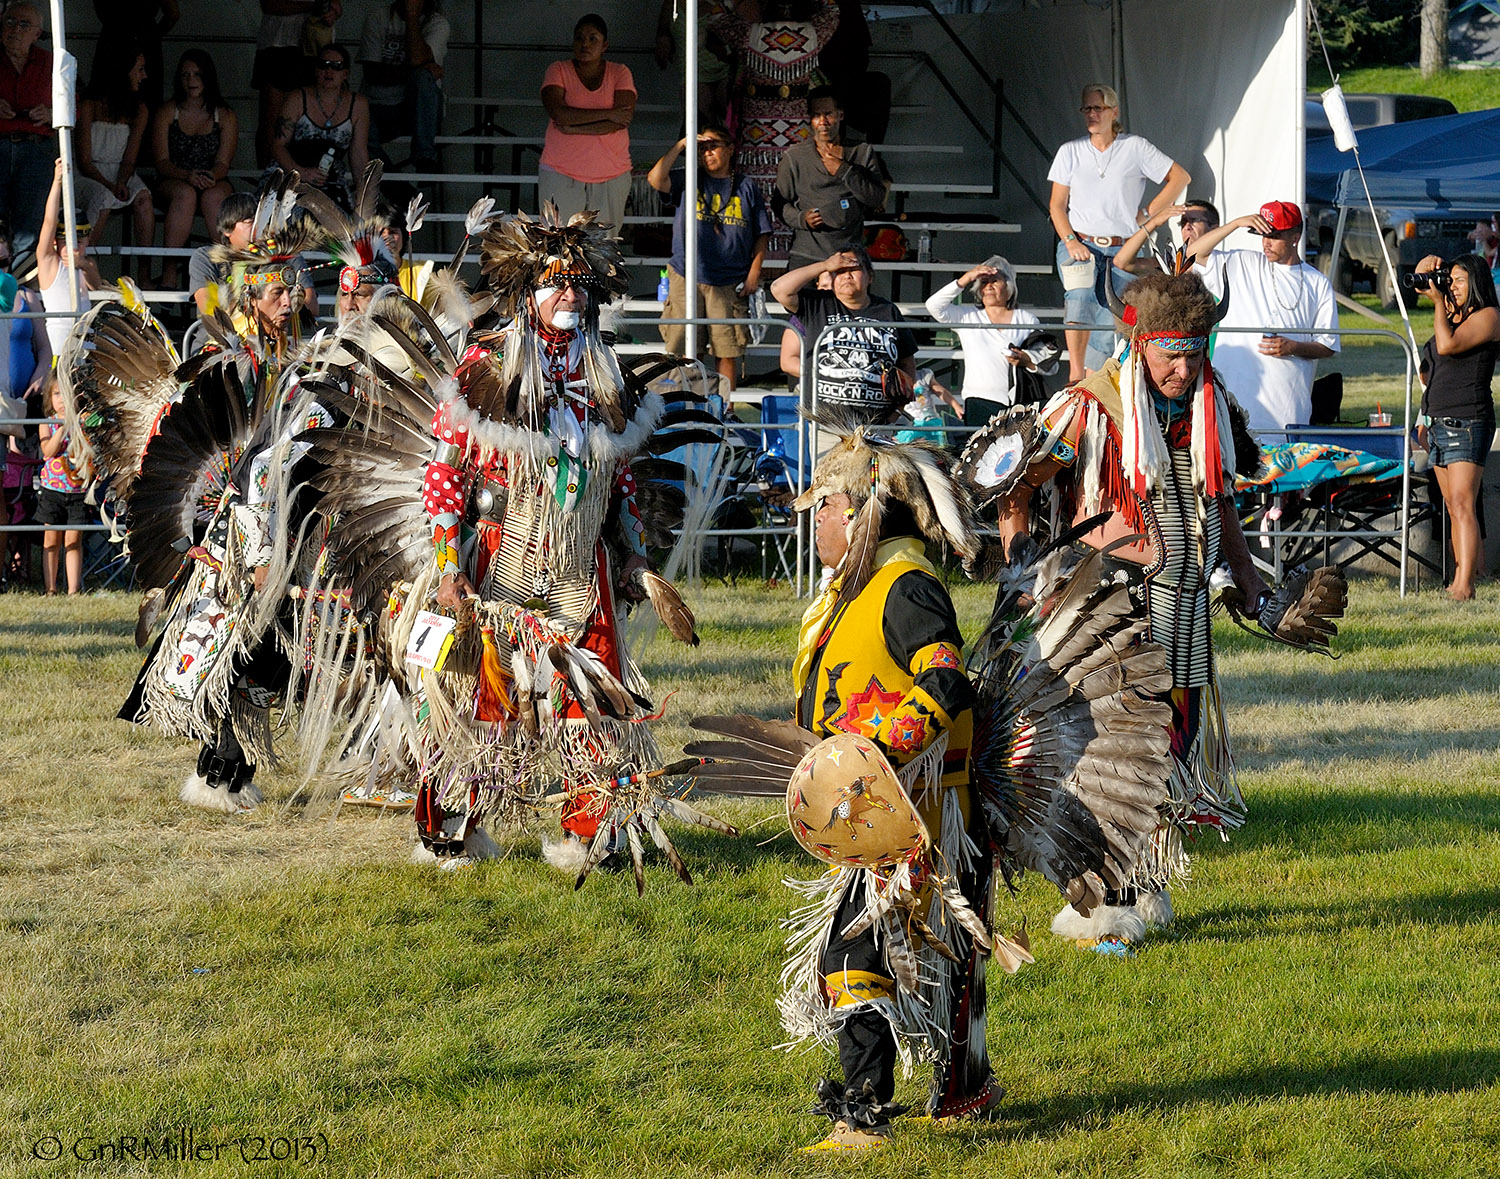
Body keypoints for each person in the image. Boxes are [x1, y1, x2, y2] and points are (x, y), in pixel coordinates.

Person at [996, 270, 1268, 950]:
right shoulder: (1093, 406)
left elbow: (1225, 496)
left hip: (1181, 612)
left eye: (1194, 351)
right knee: (1106, 757)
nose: (1182, 367)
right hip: (1104, 616)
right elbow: (1011, 486)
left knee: (1166, 748)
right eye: (1169, 352)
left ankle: (1142, 877)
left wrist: (1244, 574)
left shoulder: (1207, 402)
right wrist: (1026, 563)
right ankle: (1095, 899)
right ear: (1140, 341)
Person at [780, 430, 1000, 1148]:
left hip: (916, 815)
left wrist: (882, 748)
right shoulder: (860, 589)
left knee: (849, 959)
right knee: (899, 962)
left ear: (862, 511)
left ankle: (862, 1115)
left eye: (825, 507)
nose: (816, 523)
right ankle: (963, 1088)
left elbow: (944, 677)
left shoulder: (905, 586)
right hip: (879, 812)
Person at [1048, 83, 1189, 382]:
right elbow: (1057, 205)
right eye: (1086, 108)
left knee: (1112, 317)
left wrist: (1149, 213)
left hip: (1123, 246)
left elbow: (1179, 177)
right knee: (1080, 296)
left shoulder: (1134, 146)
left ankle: (1093, 382)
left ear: (1114, 112)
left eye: (1097, 108)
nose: (1091, 114)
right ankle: (1074, 376)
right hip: (1080, 241)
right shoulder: (1070, 151)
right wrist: (1070, 240)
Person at [1183, 201, 1338, 436]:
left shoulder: (1317, 282)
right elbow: (1192, 254)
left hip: (1286, 406)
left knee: (1282, 470)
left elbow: (1328, 345)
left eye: (1274, 236)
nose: (1266, 242)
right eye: (1262, 235)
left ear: (1295, 236)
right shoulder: (1241, 262)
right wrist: (1235, 224)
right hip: (1232, 402)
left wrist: (1293, 347)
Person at [709, 0, 840, 258]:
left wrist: (731, 3)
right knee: (796, 189)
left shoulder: (749, 34)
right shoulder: (813, 32)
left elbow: (716, 17)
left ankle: (758, 257)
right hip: (797, 130)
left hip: (758, 132)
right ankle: (793, 255)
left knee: (756, 191)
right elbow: (833, 11)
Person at [647, 123, 772, 391]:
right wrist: (681, 144)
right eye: (701, 148)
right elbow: (655, 179)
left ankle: (723, 409)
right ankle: (687, 403)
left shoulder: (746, 186)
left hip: (729, 280)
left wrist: (754, 273)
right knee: (687, 348)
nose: (707, 153)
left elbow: (762, 233)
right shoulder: (688, 177)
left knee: (726, 349)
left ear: (730, 149)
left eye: (713, 146)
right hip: (686, 275)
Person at [1414, 252, 1500, 601]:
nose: (1453, 286)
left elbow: (1448, 346)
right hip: (1437, 420)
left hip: (1468, 421)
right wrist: (1427, 266)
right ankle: (1459, 576)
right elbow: (1419, 282)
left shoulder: (1489, 317)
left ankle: (1466, 583)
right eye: (1452, 280)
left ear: (1477, 283)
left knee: (1463, 503)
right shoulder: (1451, 314)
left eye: (1460, 280)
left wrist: (1438, 305)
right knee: (1451, 506)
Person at [771, 246, 916, 423]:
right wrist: (824, 265)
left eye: (854, 269)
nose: (847, 276)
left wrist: (897, 412)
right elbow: (779, 289)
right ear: (831, 279)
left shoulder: (888, 311)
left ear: (870, 276)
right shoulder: (818, 304)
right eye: (839, 271)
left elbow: (907, 363)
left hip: (875, 425)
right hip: (826, 425)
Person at [772, 86, 889, 271]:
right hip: (807, 254)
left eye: (828, 114)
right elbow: (779, 202)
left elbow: (875, 198)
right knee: (801, 300)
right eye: (816, 115)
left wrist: (845, 170)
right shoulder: (795, 156)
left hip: (849, 253)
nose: (823, 122)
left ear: (840, 115)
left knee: (851, 300)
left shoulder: (861, 151)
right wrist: (801, 218)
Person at [150, 50, 238, 291]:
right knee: (185, 195)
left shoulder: (225, 114)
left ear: (208, 77)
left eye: (197, 75)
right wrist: (188, 176)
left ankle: (226, 270)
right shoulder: (168, 111)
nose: (191, 81)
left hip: (213, 178)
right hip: (175, 177)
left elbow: (223, 162)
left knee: (214, 198)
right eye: (185, 75)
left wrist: (209, 177)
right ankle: (170, 273)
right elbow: (161, 161)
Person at [538, 14, 636, 230]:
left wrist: (574, 128)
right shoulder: (558, 69)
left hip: (612, 172)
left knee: (603, 250)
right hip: (560, 170)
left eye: (593, 39)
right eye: (580, 38)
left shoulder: (620, 72)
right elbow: (559, 113)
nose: (585, 44)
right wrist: (608, 114)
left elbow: (622, 120)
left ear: (605, 45)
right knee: (559, 246)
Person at [924, 255, 1048, 425]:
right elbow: (934, 305)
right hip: (977, 402)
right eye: (983, 282)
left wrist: (1025, 359)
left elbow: (1047, 361)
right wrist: (968, 277)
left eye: (995, 281)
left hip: (1017, 403)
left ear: (1009, 286)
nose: (989, 286)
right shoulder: (967, 316)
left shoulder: (1027, 319)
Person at [74, 43, 155, 280]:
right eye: (139, 69)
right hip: (88, 172)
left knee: (143, 199)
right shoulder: (89, 105)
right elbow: (84, 160)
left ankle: (144, 274)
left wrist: (121, 181)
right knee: (103, 198)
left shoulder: (140, 109)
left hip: (121, 171)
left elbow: (130, 156)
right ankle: (83, 266)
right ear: (123, 70)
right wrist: (110, 186)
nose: (144, 76)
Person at [271, 42, 370, 212]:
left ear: (345, 73)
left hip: (331, 179)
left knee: (341, 221)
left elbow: (358, 153)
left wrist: (365, 196)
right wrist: (300, 172)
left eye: (336, 66)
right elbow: (278, 145)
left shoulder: (358, 104)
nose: (329, 71)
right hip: (291, 172)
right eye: (323, 65)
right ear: (316, 70)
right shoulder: (297, 98)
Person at [188, 192, 318, 320]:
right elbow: (210, 309)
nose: (260, 229)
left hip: (278, 338)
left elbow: (311, 307)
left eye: (262, 222)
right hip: (222, 339)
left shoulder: (286, 255)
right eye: (251, 222)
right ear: (227, 230)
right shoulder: (206, 258)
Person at [358, 0, 449, 173]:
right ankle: (401, 193)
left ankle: (425, 156)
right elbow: (372, 73)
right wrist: (416, 69)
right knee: (358, 134)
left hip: (417, 111)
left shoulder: (437, 23)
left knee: (423, 78)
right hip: (378, 107)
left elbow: (417, 62)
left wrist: (412, 18)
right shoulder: (378, 17)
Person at [0, 1, 54, 261]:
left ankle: (23, 294)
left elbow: (73, 107)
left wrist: (51, 114)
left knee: (29, 229)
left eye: (24, 24)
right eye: (10, 22)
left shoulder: (50, 62)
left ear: (37, 33)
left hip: (35, 148)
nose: (15, 29)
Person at [37, 160, 100, 358]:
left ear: (88, 239)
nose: (73, 246)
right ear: (56, 241)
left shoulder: (88, 264)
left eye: (80, 240)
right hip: (58, 346)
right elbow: (49, 222)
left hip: (85, 344)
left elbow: (97, 287)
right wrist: (57, 182)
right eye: (65, 239)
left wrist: (83, 266)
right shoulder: (49, 261)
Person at [253, 0, 326, 167]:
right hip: (277, 44)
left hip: (312, 46)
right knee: (272, 118)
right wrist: (314, 6)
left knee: (311, 116)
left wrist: (328, 10)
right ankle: (267, 178)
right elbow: (271, 5)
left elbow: (335, 7)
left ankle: (308, 176)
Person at [36, 375, 87, 595]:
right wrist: (62, 428)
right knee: (51, 540)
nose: (62, 401)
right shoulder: (46, 423)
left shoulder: (83, 422)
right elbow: (48, 451)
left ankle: (73, 590)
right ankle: (50, 588)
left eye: (66, 394)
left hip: (77, 491)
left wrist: (75, 425)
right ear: (49, 397)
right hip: (52, 490)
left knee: (73, 541)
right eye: (57, 394)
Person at [92, 0, 177, 107]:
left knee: (104, 94)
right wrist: (152, 36)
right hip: (135, 38)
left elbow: (173, 14)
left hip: (116, 37)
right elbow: (173, 14)